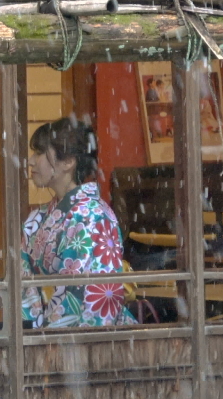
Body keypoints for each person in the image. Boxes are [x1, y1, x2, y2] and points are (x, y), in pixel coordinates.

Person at [22, 118, 137, 328]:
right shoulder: (36, 219)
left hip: (89, 340)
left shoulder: (93, 217)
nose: (31, 161)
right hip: (42, 338)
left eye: (39, 153)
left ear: (68, 162)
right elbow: (25, 283)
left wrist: (49, 337)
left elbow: (94, 298)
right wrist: (31, 335)